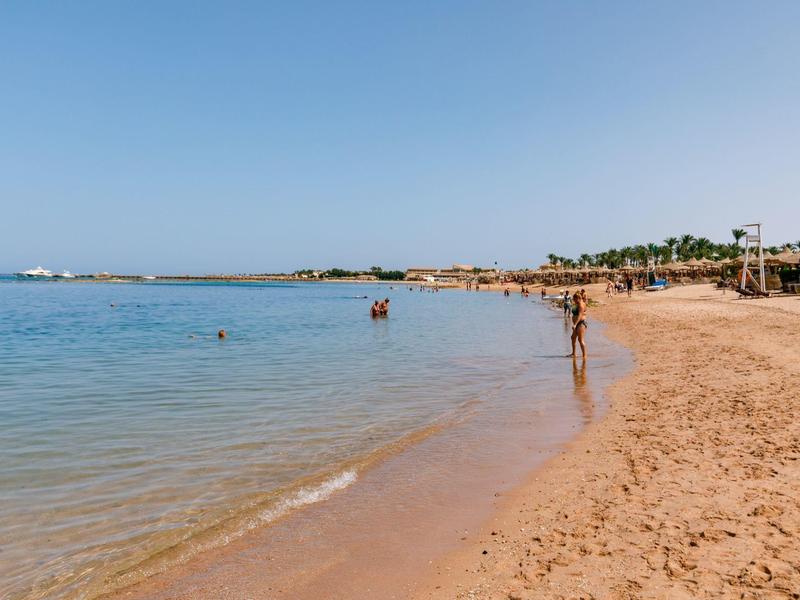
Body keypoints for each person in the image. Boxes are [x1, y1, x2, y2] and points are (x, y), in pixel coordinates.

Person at [570, 291, 587, 358]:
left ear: (578, 298)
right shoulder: (577, 304)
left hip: (581, 324)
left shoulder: (581, 305)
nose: (573, 300)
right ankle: (573, 353)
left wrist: (575, 324)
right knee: (573, 337)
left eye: (574, 299)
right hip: (577, 324)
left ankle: (584, 356)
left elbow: (580, 315)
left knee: (580, 340)